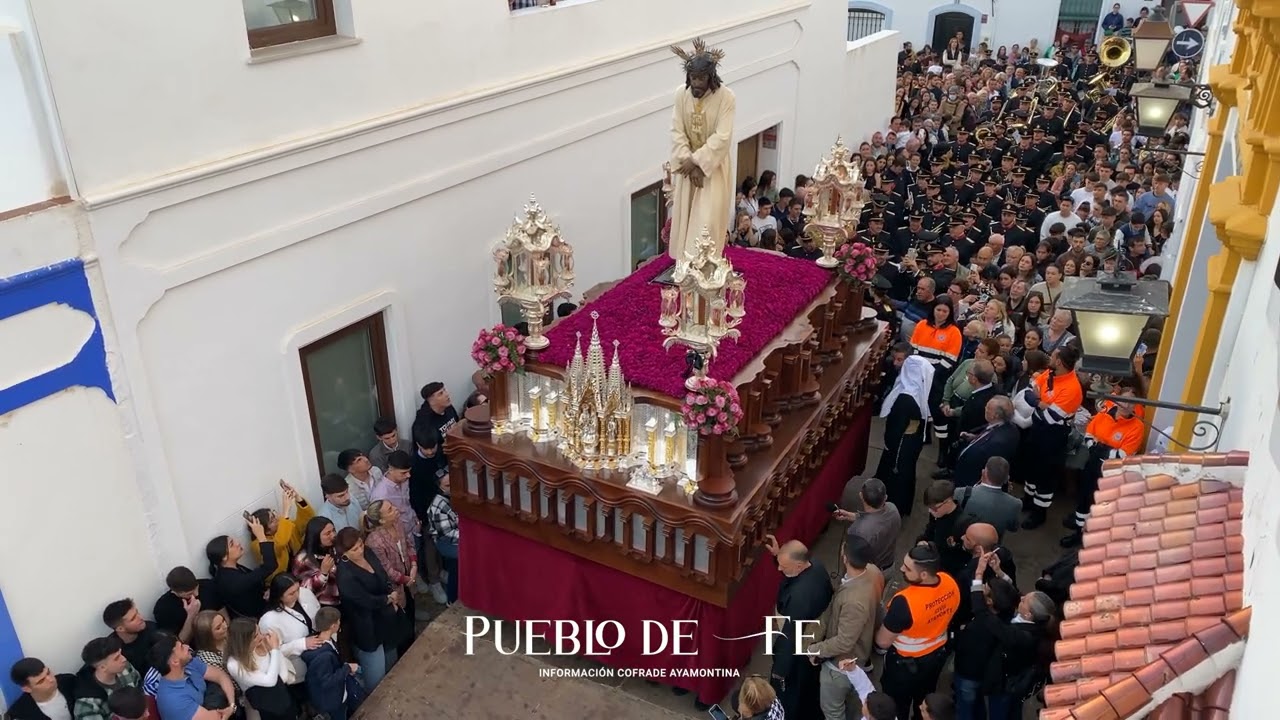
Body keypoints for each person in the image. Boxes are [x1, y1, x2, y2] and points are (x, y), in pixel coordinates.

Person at [667, 38, 736, 260]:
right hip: (688, 169)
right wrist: (688, 160)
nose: (696, 83)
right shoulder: (680, 94)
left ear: (711, 77)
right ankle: (684, 266)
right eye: (693, 78)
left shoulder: (726, 97)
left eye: (702, 78)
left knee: (706, 219)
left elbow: (723, 136)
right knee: (686, 219)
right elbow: (676, 130)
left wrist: (699, 163)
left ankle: (705, 267)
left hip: (713, 169)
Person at [876, 545, 961, 720]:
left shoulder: (904, 602)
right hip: (936, 658)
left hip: (904, 667)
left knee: (897, 705)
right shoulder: (949, 582)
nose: (901, 569)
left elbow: (883, 642)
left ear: (923, 575)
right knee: (923, 701)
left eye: (907, 568)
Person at [969, 556, 1054, 720]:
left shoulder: (1020, 636)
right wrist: (999, 571)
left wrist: (978, 576)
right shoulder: (1038, 624)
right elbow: (1016, 593)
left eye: (1024, 601)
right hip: (1017, 678)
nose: (1020, 599)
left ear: (1028, 614)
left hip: (1004, 684)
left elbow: (983, 614)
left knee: (999, 713)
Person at [807, 536, 883, 720]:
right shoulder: (872, 571)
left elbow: (844, 642)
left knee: (832, 710)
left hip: (839, 666)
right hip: (859, 653)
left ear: (845, 558)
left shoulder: (854, 601)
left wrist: (814, 649)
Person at [1062, 388, 1145, 546]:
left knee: (1100, 506)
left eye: (1131, 403)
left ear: (1136, 407)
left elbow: (1123, 455)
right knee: (1084, 499)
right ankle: (1079, 534)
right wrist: (1104, 449)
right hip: (1092, 465)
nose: (1125, 405)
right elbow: (1089, 434)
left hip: (1110, 474)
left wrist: (1099, 447)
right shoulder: (1104, 414)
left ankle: (1091, 536)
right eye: (1123, 399)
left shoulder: (1137, 427)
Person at [761, 535, 831, 720]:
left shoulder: (800, 598)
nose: (779, 569)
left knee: (792, 691)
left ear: (799, 566)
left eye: (783, 566)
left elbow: (790, 637)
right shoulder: (815, 566)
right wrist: (778, 556)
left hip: (799, 645)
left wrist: (780, 670)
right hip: (813, 634)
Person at [1020, 345, 1084, 529]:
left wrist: (1038, 403)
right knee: (1031, 469)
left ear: (1060, 362)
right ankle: (1028, 500)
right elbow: (1027, 392)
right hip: (1037, 431)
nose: (1049, 357)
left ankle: (1039, 513)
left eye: (1053, 356)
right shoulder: (1049, 374)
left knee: (1046, 475)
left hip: (1054, 436)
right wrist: (1040, 404)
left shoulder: (1072, 388)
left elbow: (1050, 418)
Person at [333, 528, 401, 691]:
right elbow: (364, 600)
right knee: (375, 675)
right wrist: (388, 599)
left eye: (361, 545)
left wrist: (390, 591)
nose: (360, 550)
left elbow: (382, 574)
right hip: (366, 625)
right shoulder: (345, 575)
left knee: (392, 658)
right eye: (354, 549)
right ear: (344, 553)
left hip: (385, 616)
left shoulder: (368, 552)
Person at [876, 355, 935, 515]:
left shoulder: (906, 398)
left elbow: (896, 426)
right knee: (907, 472)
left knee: (897, 474)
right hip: (912, 440)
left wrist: (889, 442)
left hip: (901, 443)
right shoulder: (919, 391)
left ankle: (893, 506)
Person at [148, 633, 239, 720]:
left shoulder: (189, 663)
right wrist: (229, 711)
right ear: (175, 662)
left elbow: (220, 676)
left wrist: (231, 705)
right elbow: (217, 718)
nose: (187, 646)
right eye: (182, 648)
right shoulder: (174, 700)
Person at [223, 620, 298, 720]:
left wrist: (275, 651)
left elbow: (283, 677)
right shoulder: (234, 664)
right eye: (255, 636)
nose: (261, 637)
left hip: (280, 696)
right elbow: (270, 681)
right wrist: (274, 649)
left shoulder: (258, 647)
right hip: (263, 702)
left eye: (259, 631)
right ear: (244, 642)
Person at [257, 575, 324, 683]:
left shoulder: (305, 593)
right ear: (279, 596)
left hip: (320, 656)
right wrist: (301, 644)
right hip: (299, 668)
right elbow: (271, 651)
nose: (297, 595)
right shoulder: (268, 620)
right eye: (291, 593)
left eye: (297, 589)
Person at [208, 515, 277, 619]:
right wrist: (261, 536)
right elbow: (270, 566)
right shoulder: (230, 581)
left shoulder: (233, 568)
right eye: (232, 544)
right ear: (224, 557)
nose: (238, 543)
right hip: (260, 618)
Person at [300, 608, 363, 720]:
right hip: (334, 701)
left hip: (336, 695)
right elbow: (327, 681)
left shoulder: (319, 640)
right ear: (333, 626)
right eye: (338, 621)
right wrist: (347, 668)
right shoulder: (323, 656)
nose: (340, 623)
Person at [249, 481, 314, 582]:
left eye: (274, 514)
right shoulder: (258, 544)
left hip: (301, 568)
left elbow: (307, 520)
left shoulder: (285, 527)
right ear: (265, 529)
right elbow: (279, 543)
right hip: (281, 581)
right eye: (272, 520)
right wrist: (286, 510)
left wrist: (297, 497)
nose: (278, 519)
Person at [834, 477, 901, 573]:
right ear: (885, 497)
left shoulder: (857, 532)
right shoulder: (892, 508)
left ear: (861, 496)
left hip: (868, 575)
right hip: (888, 568)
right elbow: (877, 519)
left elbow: (851, 561)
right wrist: (853, 516)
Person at [952, 397, 1020, 489]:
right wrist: (974, 437)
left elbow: (991, 469)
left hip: (971, 483)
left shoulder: (998, 443)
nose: (985, 409)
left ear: (995, 415)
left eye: (988, 408)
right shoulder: (1003, 426)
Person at [72, 636, 142, 720]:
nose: (124, 659)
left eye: (121, 654)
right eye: (116, 658)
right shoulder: (88, 704)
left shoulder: (124, 667)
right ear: (102, 667)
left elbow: (139, 685)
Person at [954, 456, 1021, 539]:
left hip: (965, 539)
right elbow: (1013, 528)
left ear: (984, 472)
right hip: (990, 545)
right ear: (1007, 479)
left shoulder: (960, 493)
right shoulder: (1015, 504)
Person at [153, 567, 221, 643]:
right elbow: (180, 643)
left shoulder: (208, 585)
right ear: (176, 592)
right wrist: (192, 615)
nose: (196, 594)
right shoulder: (164, 608)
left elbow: (222, 612)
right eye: (190, 594)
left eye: (197, 588)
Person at [100, 601, 159, 679]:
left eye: (137, 612)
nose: (140, 618)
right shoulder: (114, 651)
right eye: (133, 618)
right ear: (120, 628)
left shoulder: (150, 628)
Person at [9, 657, 77, 720]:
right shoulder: (20, 714)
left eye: (48, 673)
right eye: (41, 681)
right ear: (27, 688)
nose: (51, 680)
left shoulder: (69, 681)